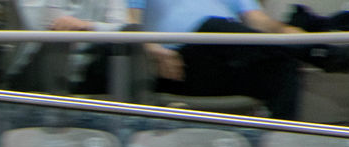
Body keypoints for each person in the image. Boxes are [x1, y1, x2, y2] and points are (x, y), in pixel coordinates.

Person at [125, 0, 308, 119]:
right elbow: (131, 24)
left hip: (227, 59)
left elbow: (258, 20)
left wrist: (286, 32)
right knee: (214, 25)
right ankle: (320, 52)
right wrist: (152, 48)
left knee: (284, 66)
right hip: (179, 65)